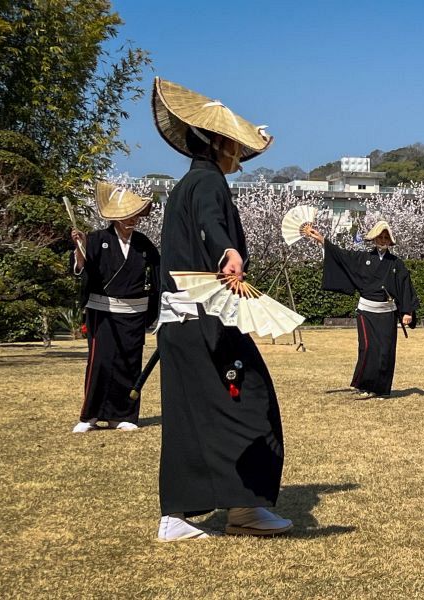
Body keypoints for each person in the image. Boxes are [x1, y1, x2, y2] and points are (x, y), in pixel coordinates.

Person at [151, 77, 291, 541]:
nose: (239, 156)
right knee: (250, 403)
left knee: (197, 413)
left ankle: (240, 508)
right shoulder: (207, 184)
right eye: (235, 145)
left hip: (189, 322)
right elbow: (212, 227)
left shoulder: (190, 183)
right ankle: (182, 514)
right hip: (202, 323)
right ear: (219, 143)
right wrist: (227, 251)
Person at [70, 182, 159, 433]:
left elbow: (159, 274)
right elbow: (82, 267)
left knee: (129, 363)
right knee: (100, 362)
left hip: (134, 313)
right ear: (116, 217)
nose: (132, 220)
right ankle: (90, 416)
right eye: (127, 216)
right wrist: (79, 249)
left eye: (135, 215)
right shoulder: (97, 239)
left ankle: (124, 415)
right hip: (104, 313)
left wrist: (157, 306)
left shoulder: (144, 244)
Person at [304, 221, 419, 399]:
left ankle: (381, 389)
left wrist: (408, 312)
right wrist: (321, 239)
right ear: (374, 238)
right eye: (380, 236)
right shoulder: (361, 258)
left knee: (385, 350)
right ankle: (364, 385)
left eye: (386, 237)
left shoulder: (397, 264)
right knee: (367, 347)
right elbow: (341, 255)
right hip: (366, 311)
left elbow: (405, 287)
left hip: (387, 313)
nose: (382, 240)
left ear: (390, 241)